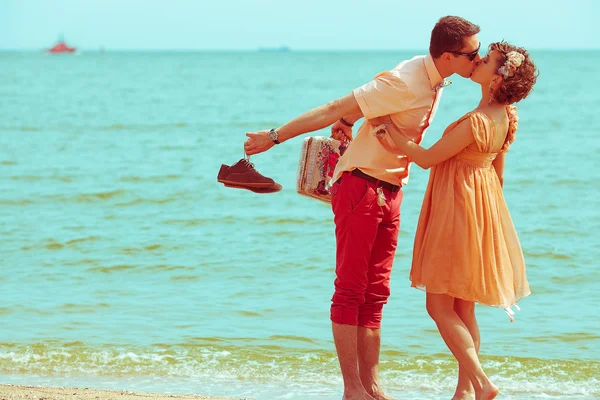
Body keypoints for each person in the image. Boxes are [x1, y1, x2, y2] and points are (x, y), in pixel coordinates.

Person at [244, 16, 481, 400]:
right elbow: (333, 106)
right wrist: (275, 136)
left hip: (392, 191)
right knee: (350, 290)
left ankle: (372, 387)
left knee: (377, 293)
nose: (478, 59)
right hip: (360, 187)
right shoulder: (404, 80)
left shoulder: (436, 80)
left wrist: (348, 120)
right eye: (473, 53)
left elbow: (357, 109)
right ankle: (352, 389)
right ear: (450, 55)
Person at [369, 41, 538, 400]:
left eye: (487, 60)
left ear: (496, 79)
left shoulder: (478, 121)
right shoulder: (506, 117)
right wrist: (486, 216)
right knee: (463, 306)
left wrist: (387, 129)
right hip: (481, 207)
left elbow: (427, 158)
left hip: (456, 207)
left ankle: (482, 382)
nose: (478, 61)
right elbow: (499, 175)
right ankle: (464, 393)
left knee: (438, 306)